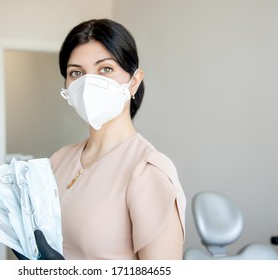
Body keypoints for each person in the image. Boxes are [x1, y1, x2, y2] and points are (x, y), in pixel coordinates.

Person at [14, 18, 186, 260]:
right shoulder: (58, 160)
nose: (88, 82)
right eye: (76, 72)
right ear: (67, 86)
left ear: (133, 82)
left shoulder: (148, 171)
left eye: (105, 68)